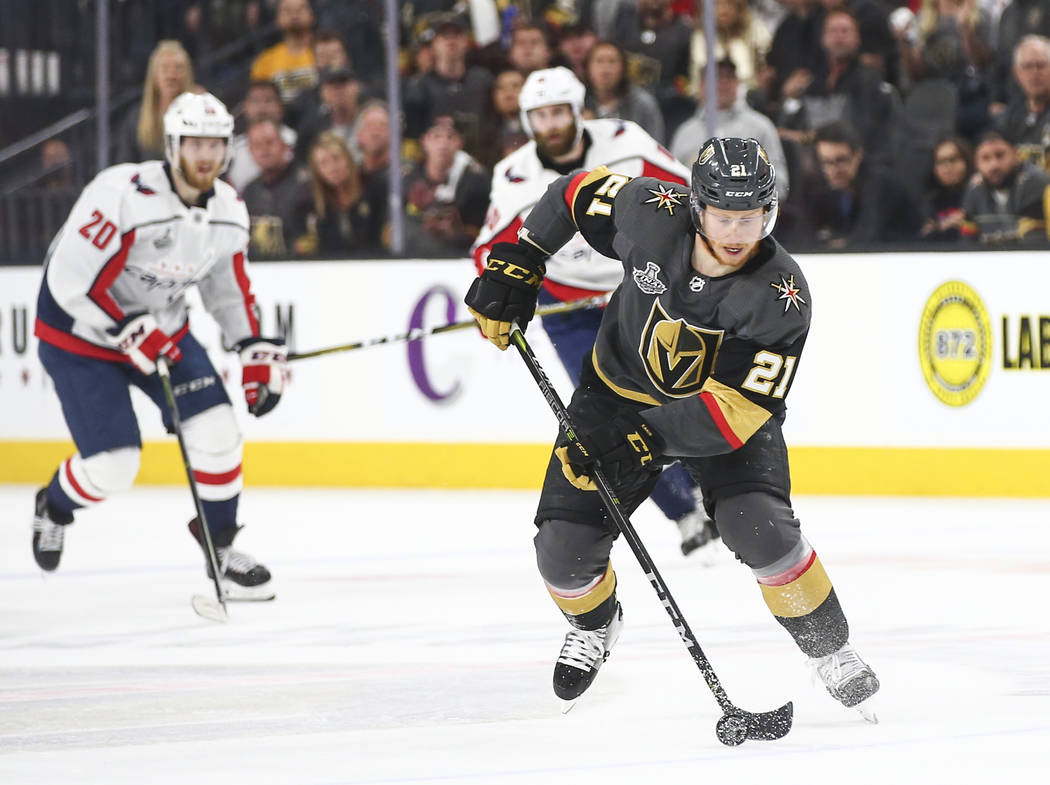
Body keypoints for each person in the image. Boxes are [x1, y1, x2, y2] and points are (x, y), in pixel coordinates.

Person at [463, 135, 881, 718]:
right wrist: (526, 255)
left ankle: (829, 648)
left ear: (771, 211)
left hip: (719, 416)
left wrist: (642, 439)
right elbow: (572, 193)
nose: (738, 233)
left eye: (752, 217)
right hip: (614, 396)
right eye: (724, 216)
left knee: (758, 527)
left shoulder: (782, 297)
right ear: (696, 206)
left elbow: (736, 411)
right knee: (561, 551)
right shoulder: (648, 212)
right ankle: (595, 624)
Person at [31, 92, 287, 600]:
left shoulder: (229, 211)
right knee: (113, 466)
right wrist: (125, 328)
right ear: (172, 146)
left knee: (216, 430)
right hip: (80, 337)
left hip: (161, 332)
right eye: (194, 143)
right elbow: (68, 279)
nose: (206, 155)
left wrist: (251, 348)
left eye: (215, 144)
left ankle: (220, 549)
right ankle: (54, 506)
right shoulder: (121, 193)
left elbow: (226, 287)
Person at [471, 66, 716, 556]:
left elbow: (690, 200)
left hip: (646, 289)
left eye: (560, 112)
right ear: (527, 120)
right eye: (540, 116)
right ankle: (686, 517)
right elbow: (490, 250)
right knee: (605, 412)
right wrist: (505, 289)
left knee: (680, 391)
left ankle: (711, 492)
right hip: (569, 305)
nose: (552, 124)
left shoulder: (626, 140)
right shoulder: (513, 174)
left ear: (579, 111)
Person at [670, 57, 790, 201]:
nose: (724, 83)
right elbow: (671, 181)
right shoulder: (686, 132)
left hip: (747, 215)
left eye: (729, 77)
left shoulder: (761, 127)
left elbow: (780, 183)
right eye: (717, 77)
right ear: (701, 85)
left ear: (737, 83)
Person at [403, 116, 492, 256]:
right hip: (414, 256)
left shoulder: (477, 181)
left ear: (460, 142)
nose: (443, 143)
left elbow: (486, 230)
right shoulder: (408, 179)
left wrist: (458, 231)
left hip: (461, 256)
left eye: (450, 137)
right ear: (424, 140)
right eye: (436, 136)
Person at [297, 131, 387, 256]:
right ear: (317, 171)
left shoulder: (374, 188)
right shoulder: (310, 204)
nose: (332, 167)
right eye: (323, 163)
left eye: (336, 158)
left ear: (348, 158)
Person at [961, 128, 1050, 243]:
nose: (994, 165)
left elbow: (1033, 239)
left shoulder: (1037, 182)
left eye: (1000, 156)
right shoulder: (974, 188)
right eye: (985, 158)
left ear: (1017, 155)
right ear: (976, 163)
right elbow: (968, 240)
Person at [116, 40, 195, 163]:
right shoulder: (136, 117)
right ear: (154, 76)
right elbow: (124, 165)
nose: (171, 75)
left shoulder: (199, 113)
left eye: (178, 68)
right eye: (165, 68)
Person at [242, 119, 311, 258]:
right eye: (257, 145)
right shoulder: (249, 191)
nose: (264, 150)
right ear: (250, 151)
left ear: (284, 146)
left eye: (269, 142)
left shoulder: (306, 184)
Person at [582, 39, 667, 143]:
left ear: (623, 68)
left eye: (612, 62)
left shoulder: (643, 104)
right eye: (599, 61)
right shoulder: (578, 103)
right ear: (587, 68)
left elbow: (656, 145)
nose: (605, 70)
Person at [249, 0, 318, 105]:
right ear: (277, 19)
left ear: (312, 15)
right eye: (287, 10)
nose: (294, 14)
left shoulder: (325, 52)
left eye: (300, 9)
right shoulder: (265, 60)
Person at [920, 135, 974, 241]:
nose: (947, 167)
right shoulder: (929, 202)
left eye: (953, 160)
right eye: (940, 162)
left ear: (967, 161)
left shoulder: (978, 194)